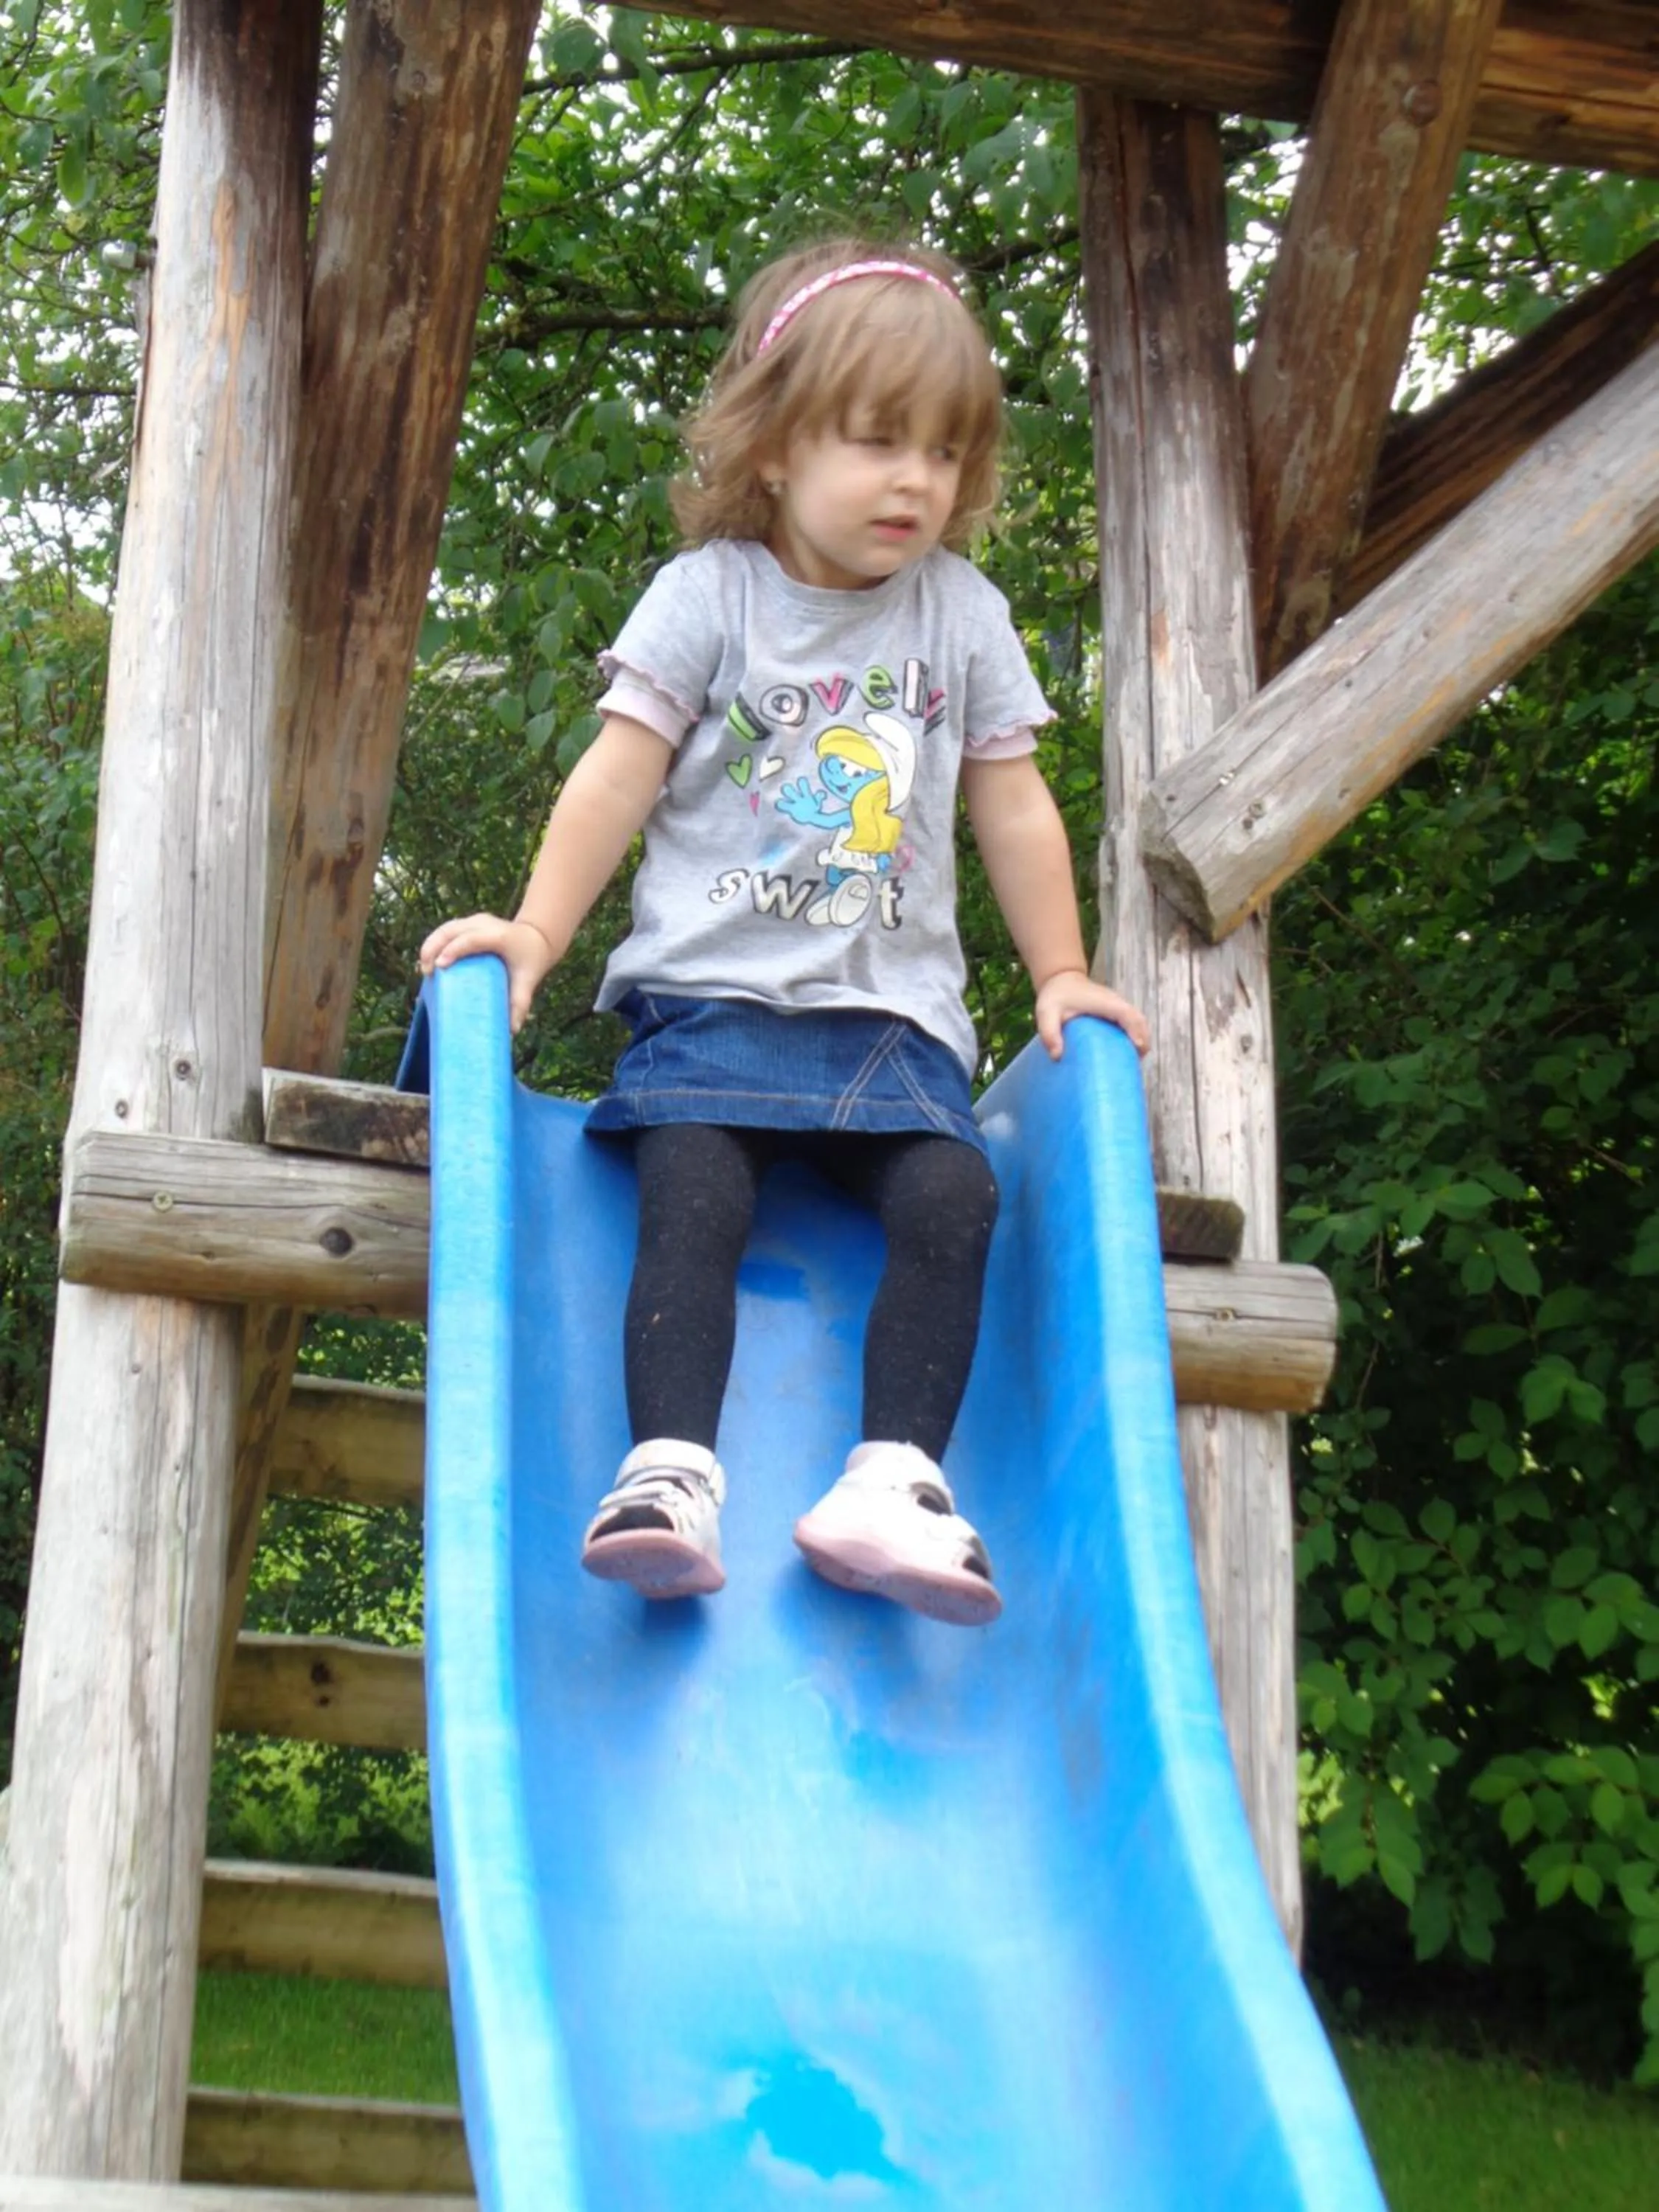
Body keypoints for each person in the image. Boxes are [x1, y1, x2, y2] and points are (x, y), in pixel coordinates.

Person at [420, 237, 1149, 1629]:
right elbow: (618, 774)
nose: (914, 482)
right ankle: (668, 1471)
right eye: (878, 442)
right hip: (713, 1000)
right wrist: (532, 932)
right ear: (772, 447)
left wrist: (1060, 969)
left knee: (956, 1200)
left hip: (891, 1028)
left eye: (943, 453)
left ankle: (891, 1480)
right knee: (695, 1185)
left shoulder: (963, 616)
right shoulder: (713, 597)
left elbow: (1012, 806)